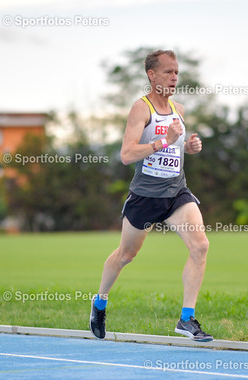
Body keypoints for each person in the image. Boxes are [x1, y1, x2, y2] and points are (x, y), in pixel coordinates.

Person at [89, 49, 212, 342]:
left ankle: (186, 318)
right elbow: (127, 154)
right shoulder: (140, 109)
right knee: (126, 255)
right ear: (152, 75)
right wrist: (163, 141)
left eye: (177, 72)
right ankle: (100, 302)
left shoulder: (179, 109)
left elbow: (176, 146)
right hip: (145, 197)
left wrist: (189, 147)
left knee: (200, 246)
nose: (174, 77)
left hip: (176, 193)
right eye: (168, 72)